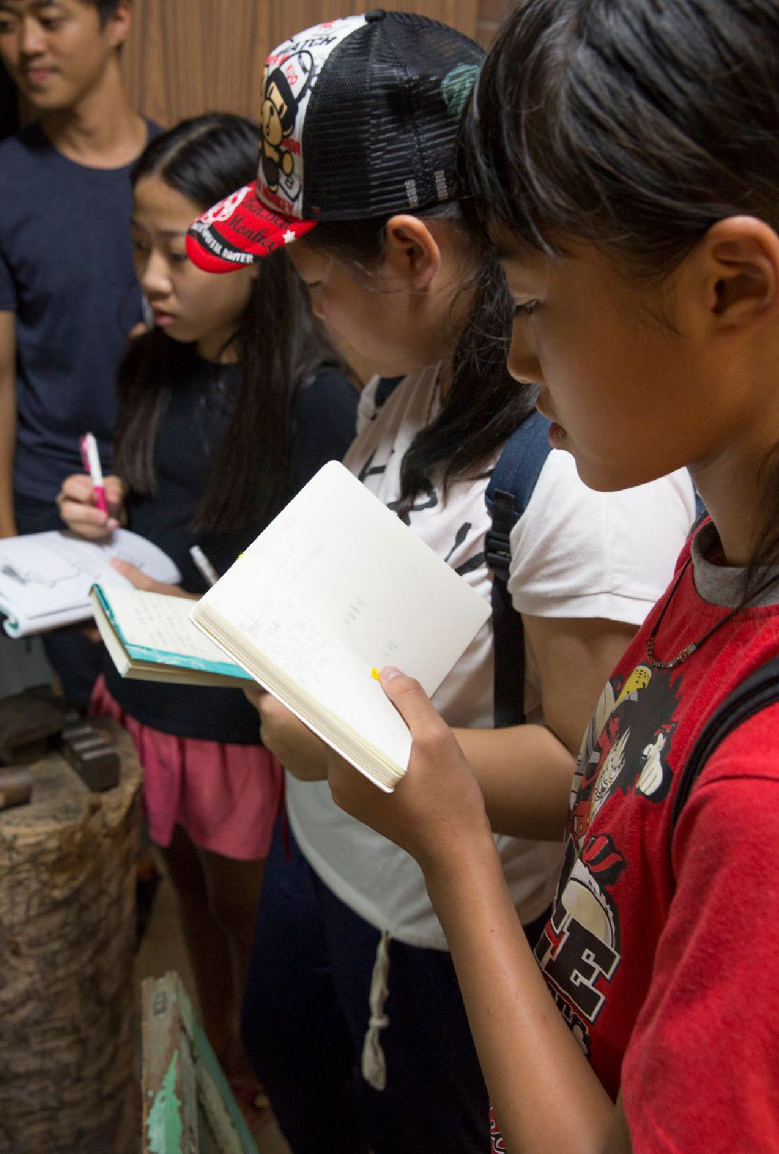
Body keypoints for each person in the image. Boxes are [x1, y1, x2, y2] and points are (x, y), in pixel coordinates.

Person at [183, 13, 697, 1151]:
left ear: (414, 253)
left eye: (313, 281)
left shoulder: (579, 471)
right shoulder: (402, 388)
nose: (306, 310)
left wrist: (352, 736)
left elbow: (594, 774)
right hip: (333, 860)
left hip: (437, 933)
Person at [320, 1, 779, 1148]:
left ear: (727, 286)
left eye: (533, 305)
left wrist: (456, 838)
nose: (519, 360)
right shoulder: (717, 549)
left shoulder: (760, 801)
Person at [53, 111, 359, 1113]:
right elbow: (143, 495)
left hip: (239, 714)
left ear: (259, 250)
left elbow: (324, 598)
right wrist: (97, 509)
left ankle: (255, 1063)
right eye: (140, 246)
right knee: (183, 889)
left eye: (180, 251)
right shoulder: (151, 361)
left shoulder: (317, 400)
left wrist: (192, 601)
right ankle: (223, 1053)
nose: (153, 275)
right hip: (145, 690)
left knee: (249, 913)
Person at [0, 0, 157, 709]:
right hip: (54, 501)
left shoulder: (176, 174)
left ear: (118, 19)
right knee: (93, 715)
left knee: (183, 718)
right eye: (6, 24)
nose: (26, 44)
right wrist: (1, 537)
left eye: (49, 17)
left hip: (167, 492)